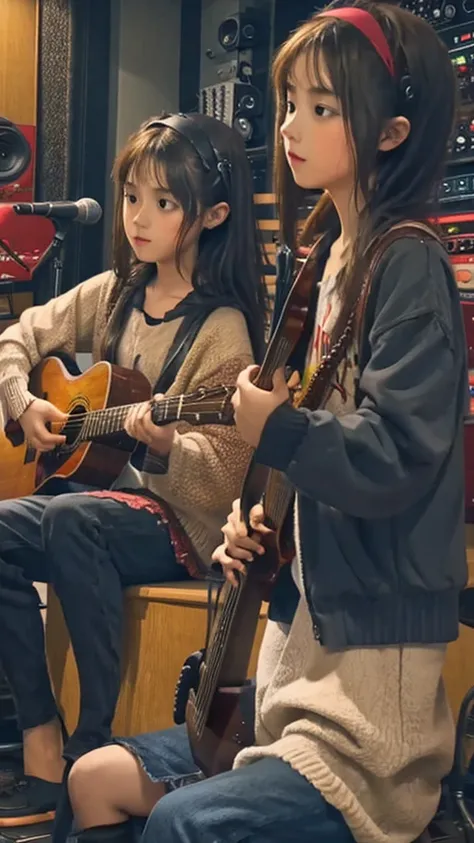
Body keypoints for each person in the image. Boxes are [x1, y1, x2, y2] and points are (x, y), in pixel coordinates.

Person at [66, 3, 468, 842]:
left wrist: (275, 432)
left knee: (183, 822)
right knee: (93, 779)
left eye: (322, 108)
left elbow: (399, 454)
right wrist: (265, 522)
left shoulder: (411, 265)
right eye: (290, 102)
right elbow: (320, 459)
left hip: (364, 724)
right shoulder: (323, 261)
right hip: (291, 678)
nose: (291, 125)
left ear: (392, 131)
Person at [0, 113, 267, 825]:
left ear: (211, 215)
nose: (139, 218)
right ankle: (39, 730)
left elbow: (225, 475)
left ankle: (97, 736)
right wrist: (22, 400)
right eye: (131, 197)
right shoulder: (117, 292)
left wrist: (162, 446)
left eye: (164, 203)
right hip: (99, 510)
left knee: (71, 515)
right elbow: (19, 333)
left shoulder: (223, 330)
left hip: (182, 523)